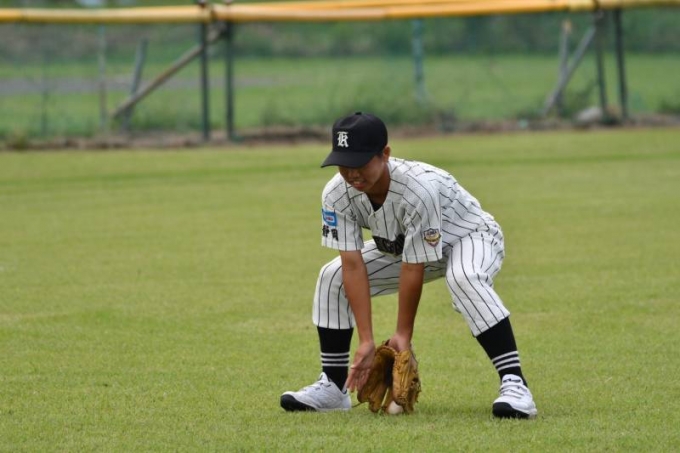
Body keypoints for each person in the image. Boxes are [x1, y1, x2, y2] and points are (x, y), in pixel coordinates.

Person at [280, 112, 537, 419]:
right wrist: (366, 340)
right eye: (343, 164)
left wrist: (403, 335)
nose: (352, 173)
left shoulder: (417, 189)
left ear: (385, 154)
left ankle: (515, 384)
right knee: (331, 275)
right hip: (405, 247)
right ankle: (334, 388)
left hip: (469, 236)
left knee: (464, 277)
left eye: (360, 162)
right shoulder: (336, 194)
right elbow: (352, 266)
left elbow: (413, 268)